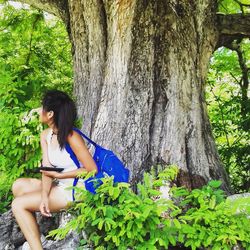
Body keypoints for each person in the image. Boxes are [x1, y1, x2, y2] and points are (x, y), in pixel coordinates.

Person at [11, 90, 97, 250]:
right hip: (61, 184)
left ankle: (36, 247)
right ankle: (37, 237)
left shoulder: (72, 137)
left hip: (76, 189)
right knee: (19, 186)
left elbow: (91, 169)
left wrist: (60, 175)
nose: (38, 110)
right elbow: (47, 169)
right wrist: (44, 196)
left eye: (42, 107)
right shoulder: (46, 135)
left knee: (18, 205)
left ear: (50, 114)